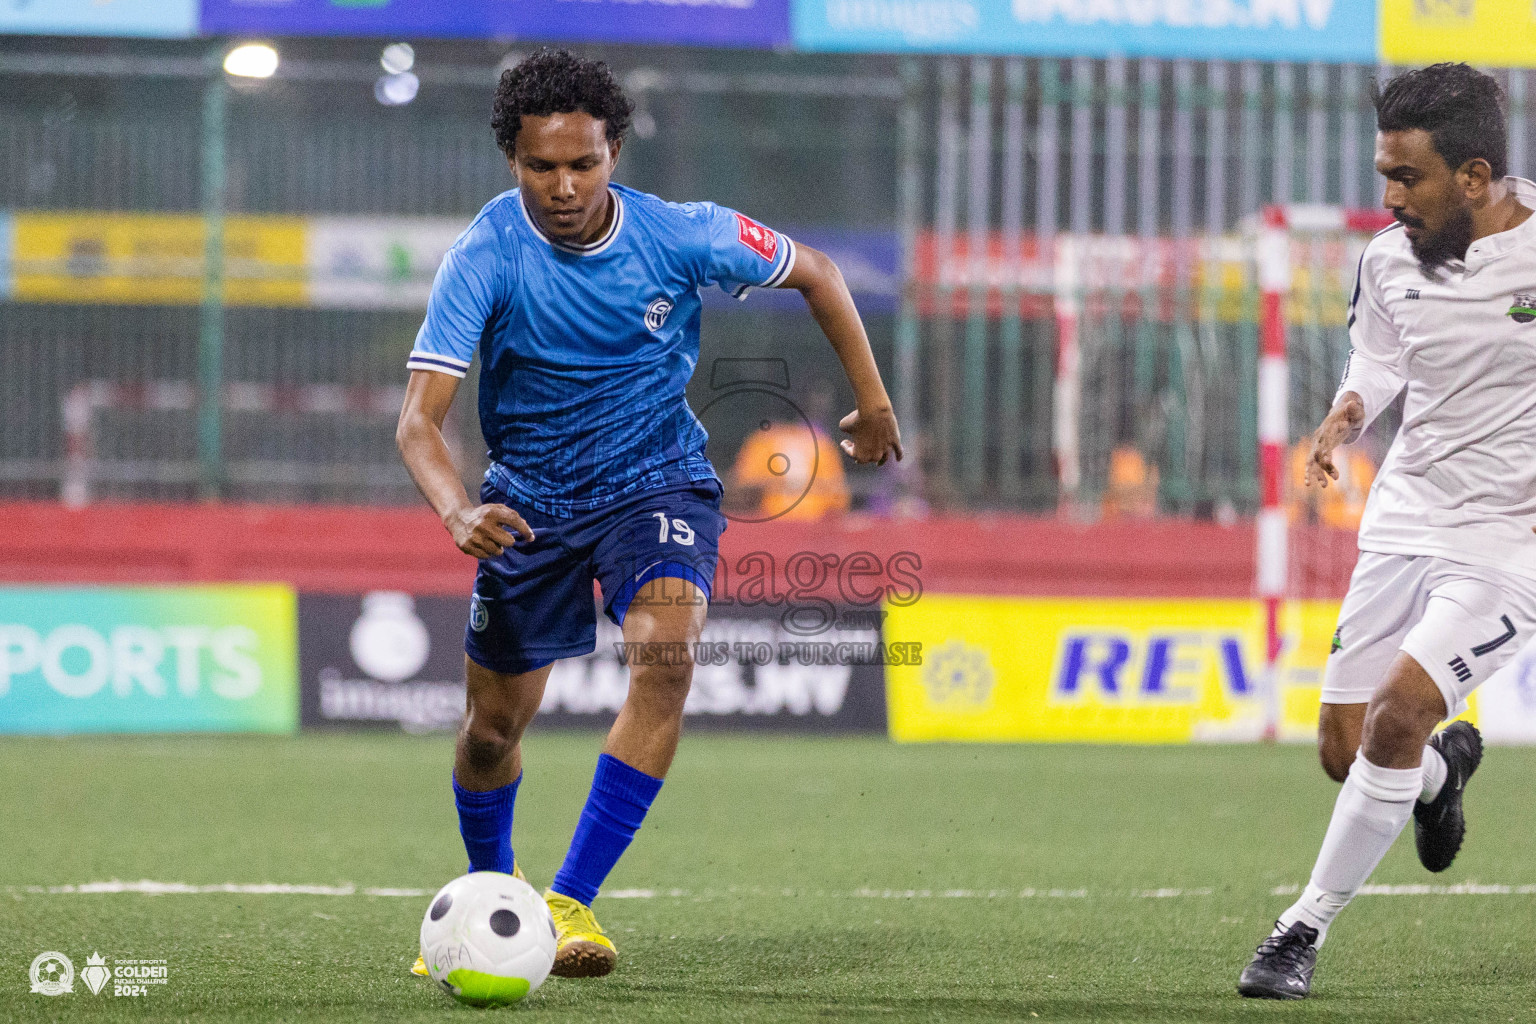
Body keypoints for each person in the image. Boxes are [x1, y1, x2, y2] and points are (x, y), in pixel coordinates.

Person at [394, 49, 901, 980]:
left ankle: (568, 900)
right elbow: (419, 424)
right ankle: (492, 900)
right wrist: (459, 507)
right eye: (541, 166)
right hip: (527, 508)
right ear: (513, 160)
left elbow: (821, 272)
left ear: (614, 151)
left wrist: (871, 404)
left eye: (583, 163)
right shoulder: (485, 255)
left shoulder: (681, 234)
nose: (563, 185)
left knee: (665, 660)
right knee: (490, 733)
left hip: (656, 484)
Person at [1238, 63, 1536, 999]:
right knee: (1345, 748)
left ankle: (1298, 933)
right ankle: (1441, 779)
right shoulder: (1387, 256)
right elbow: (1380, 353)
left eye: (1406, 178)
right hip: (1406, 512)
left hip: (1508, 541)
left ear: (1477, 177)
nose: (1388, 196)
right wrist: (1344, 417)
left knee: (1396, 714)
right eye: (1384, 173)